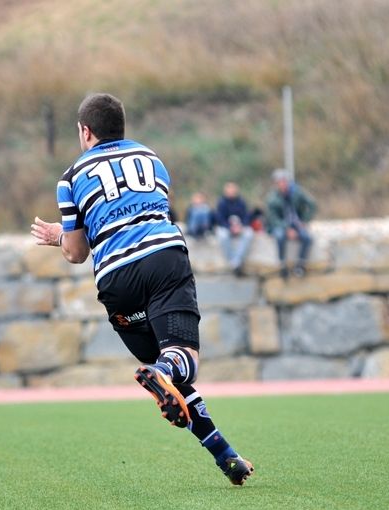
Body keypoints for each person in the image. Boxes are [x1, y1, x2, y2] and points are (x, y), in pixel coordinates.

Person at [30, 93, 253, 486]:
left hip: (116, 281)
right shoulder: (152, 159)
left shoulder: (70, 177)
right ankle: (161, 371)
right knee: (181, 362)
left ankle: (226, 455)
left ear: (85, 131)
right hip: (163, 259)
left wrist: (57, 237)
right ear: (122, 126)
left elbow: (77, 252)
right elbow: (156, 210)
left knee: (176, 378)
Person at [265, 168, 316, 279]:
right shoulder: (272, 198)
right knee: (280, 236)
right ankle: (282, 265)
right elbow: (272, 218)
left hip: (297, 223)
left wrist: (305, 220)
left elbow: (312, 204)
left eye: (284, 181)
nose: (283, 184)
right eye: (280, 182)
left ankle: (300, 264)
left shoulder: (297, 192)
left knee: (307, 238)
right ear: (276, 184)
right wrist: (287, 228)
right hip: (280, 225)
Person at [215, 182, 254, 276]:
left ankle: (236, 261)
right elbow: (219, 218)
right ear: (226, 191)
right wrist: (230, 227)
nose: (231, 192)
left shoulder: (241, 202)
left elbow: (246, 216)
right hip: (226, 227)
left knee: (249, 233)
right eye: (229, 190)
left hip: (239, 227)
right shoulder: (221, 202)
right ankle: (234, 261)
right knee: (222, 236)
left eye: (233, 190)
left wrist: (241, 226)